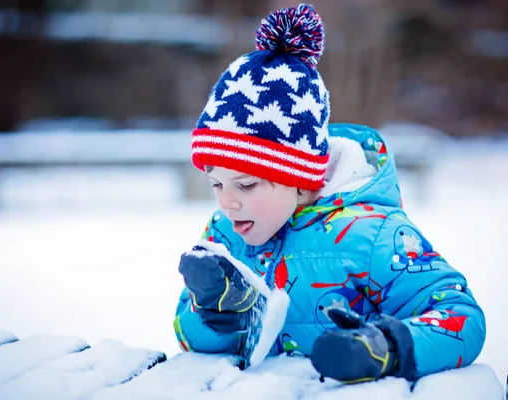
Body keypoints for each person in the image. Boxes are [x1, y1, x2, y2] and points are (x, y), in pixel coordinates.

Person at [173, 3, 485, 383]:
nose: (226, 202)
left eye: (247, 184)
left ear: (300, 177)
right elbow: (190, 341)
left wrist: (386, 347)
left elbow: (461, 317)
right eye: (217, 184)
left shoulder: (373, 234)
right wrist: (213, 311)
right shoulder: (226, 234)